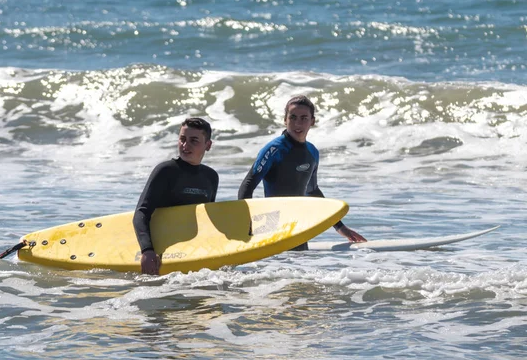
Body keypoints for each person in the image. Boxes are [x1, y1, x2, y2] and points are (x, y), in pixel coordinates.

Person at [238, 95, 366, 249]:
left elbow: (312, 191)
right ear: (285, 120)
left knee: (299, 270)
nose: (298, 123)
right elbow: (247, 186)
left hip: (297, 227)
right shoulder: (274, 149)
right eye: (293, 117)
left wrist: (340, 227)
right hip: (273, 227)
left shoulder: (312, 152)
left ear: (312, 121)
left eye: (304, 118)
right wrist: (247, 227)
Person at [133, 117, 219, 275]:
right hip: (161, 256)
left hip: (192, 255)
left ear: (208, 145)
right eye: (182, 139)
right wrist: (147, 251)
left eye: (194, 140)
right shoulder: (166, 171)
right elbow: (141, 213)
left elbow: (206, 221)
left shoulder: (211, 177)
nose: (185, 146)